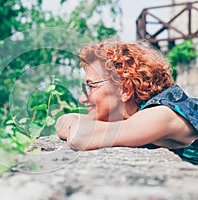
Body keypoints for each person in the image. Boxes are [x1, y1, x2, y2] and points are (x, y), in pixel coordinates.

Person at [55, 40, 198, 162]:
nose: (82, 99)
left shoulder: (161, 115)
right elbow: (61, 121)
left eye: (91, 86)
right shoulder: (134, 118)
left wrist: (77, 124)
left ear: (125, 91)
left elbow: (80, 135)